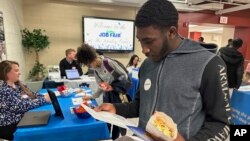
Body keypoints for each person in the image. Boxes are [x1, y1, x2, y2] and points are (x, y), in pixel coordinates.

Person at [95, 0, 231, 140]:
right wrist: (117, 108)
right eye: (140, 41)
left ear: (171, 32)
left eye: (149, 41)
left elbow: (221, 124)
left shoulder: (209, 64)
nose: (144, 50)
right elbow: (141, 105)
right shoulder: (147, 65)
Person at [76, 43, 131, 140]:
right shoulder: (96, 70)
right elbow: (101, 86)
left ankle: (115, 138)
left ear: (92, 58)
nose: (89, 66)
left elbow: (125, 76)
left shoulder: (107, 62)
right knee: (107, 120)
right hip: (108, 97)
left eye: (88, 64)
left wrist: (113, 86)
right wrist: (92, 96)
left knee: (117, 122)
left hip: (118, 96)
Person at [0, 60, 51, 140]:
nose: (19, 73)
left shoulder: (17, 84)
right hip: (10, 125)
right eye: (16, 71)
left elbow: (33, 94)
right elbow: (20, 107)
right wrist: (44, 99)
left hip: (24, 117)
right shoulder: (3, 89)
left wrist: (44, 96)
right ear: (6, 73)